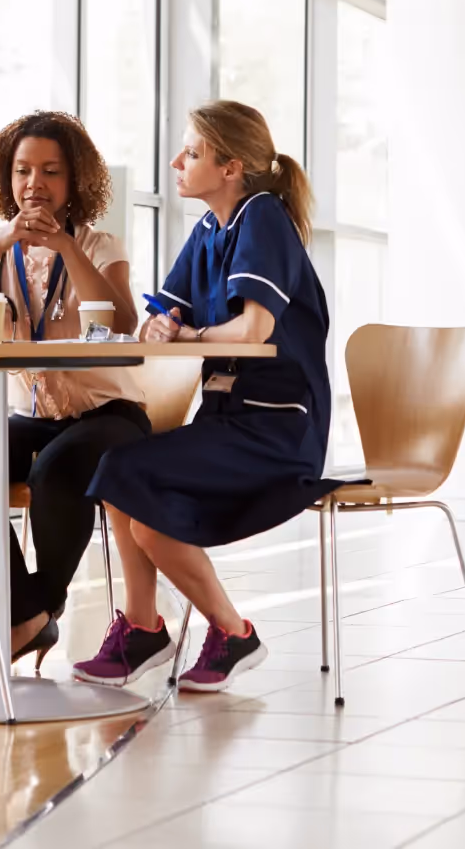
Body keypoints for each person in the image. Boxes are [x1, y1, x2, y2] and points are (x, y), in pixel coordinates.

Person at [73, 100, 330, 692]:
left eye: (191, 152)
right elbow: (158, 318)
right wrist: (162, 327)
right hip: (225, 419)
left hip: (277, 428)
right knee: (120, 475)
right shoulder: (212, 228)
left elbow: (253, 331)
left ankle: (232, 632)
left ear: (232, 166)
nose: (175, 162)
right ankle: (145, 628)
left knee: (133, 490)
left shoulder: (263, 217)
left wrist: (185, 333)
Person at [0, 111, 148, 668]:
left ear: (74, 182)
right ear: (7, 179)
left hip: (109, 412)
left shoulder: (100, 244)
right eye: (23, 171)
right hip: (31, 415)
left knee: (58, 467)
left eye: (51, 172)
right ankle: (27, 609)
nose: (35, 184)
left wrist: (69, 249)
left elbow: (122, 320)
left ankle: (39, 607)